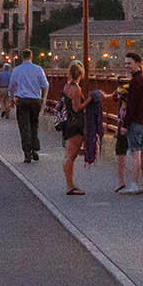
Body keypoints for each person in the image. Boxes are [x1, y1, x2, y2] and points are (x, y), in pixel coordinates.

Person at [55, 64, 102, 196]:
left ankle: (70, 183)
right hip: (75, 124)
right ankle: (70, 186)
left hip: (68, 123)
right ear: (81, 74)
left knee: (68, 155)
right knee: (71, 156)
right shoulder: (76, 89)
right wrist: (89, 99)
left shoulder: (67, 86)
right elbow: (77, 108)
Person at [115, 52, 143, 193]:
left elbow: (131, 106)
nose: (127, 66)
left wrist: (125, 126)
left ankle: (134, 184)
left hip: (135, 122)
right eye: (125, 63)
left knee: (135, 153)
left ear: (138, 64)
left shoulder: (134, 82)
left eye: (129, 63)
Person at [6, 48, 51, 163]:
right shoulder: (38, 69)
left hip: (22, 100)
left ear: (22, 57)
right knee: (34, 125)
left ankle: (27, 153)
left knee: (24, 126)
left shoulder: (17, 70)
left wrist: (12, 99)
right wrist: (43, 100)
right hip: (35, 100)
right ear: (31, 57)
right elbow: (46, 85)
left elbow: (11, 86)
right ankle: (34, 149)